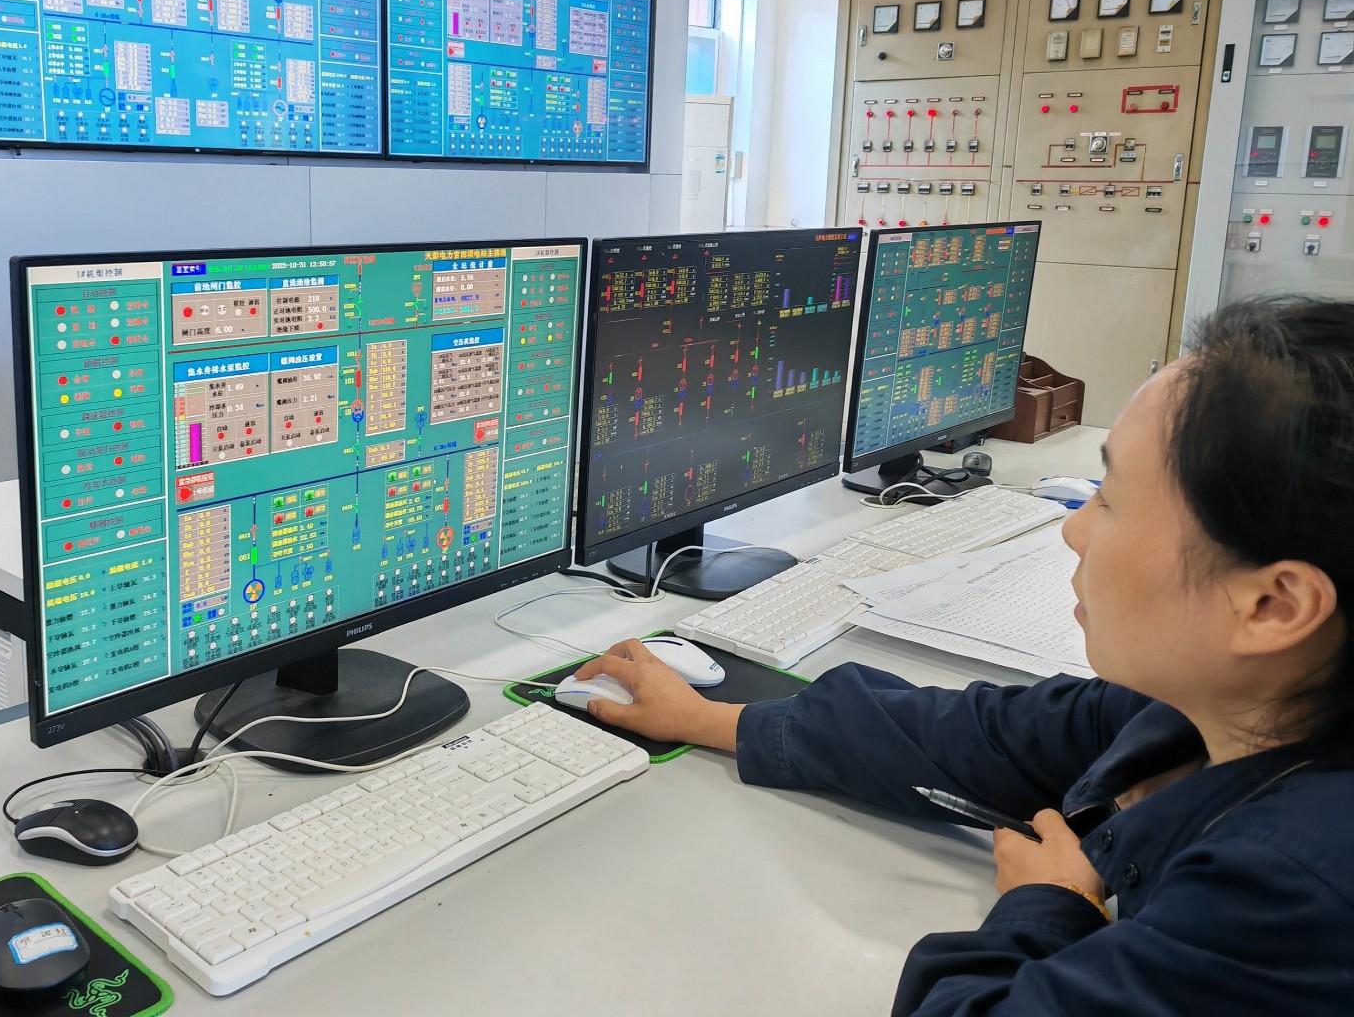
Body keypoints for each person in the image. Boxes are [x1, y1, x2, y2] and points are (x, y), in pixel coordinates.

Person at [575, 296, 1354, 1014]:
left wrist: (1049, 909)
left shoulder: (1291, 897)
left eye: (1110, 500)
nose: (1073, 529)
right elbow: (978, 736)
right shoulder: (1212, 706)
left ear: (1274, 607)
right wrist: (714, 721)